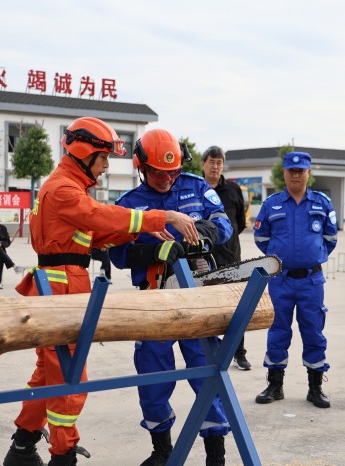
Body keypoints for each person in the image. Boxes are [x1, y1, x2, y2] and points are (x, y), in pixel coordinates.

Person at [3, 118, 199, 466]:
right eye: (103, 157)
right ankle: (62, 455)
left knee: (49, 373)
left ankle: (22, 445)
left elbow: (94, 236)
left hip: (63, 283)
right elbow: (97, 218)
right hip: (62, 288)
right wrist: (158, 218)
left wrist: (140, 233)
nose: (107, 165)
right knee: (70, 376)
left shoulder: (68, 186)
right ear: (85, 152)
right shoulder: (64, 189)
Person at [109, 129, 232, 466]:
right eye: (158, 174)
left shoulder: (195, 186)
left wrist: (204, 232)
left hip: (199, 299)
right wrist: (154, 250)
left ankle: (215, 454)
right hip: (154, 300)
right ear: (142, 167)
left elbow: (224, 224)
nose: (166, 180)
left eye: (172, 173)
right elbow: (117, 255)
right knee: (152, 377)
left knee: (207, 372)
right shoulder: (129, 203)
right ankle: (162, 450)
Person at [253, 151, 337, 409]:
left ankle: (315, 387)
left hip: (312, 281)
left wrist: (314, 256)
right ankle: (275, 385)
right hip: (281, 281)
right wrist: (281, 258)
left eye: (301, 171)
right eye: (291, 171)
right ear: (285, 173)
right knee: (278, 331)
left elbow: (330, 238)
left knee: (313, 331)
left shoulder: (322, 203)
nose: (296, 175)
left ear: (309, 173)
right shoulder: (272, 204)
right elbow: (261, 239)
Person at [201, 145, 250, 370]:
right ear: (203, 164)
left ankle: (239, 353)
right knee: (207, 309)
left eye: (219, 162)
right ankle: (211, 353)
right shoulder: (196, 189)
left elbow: (239, 223)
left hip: (231, 257)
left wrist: (225, 241)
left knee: (236, 307)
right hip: (202, 260)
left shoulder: (233, 190)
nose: (215, 166)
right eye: (211, 161)